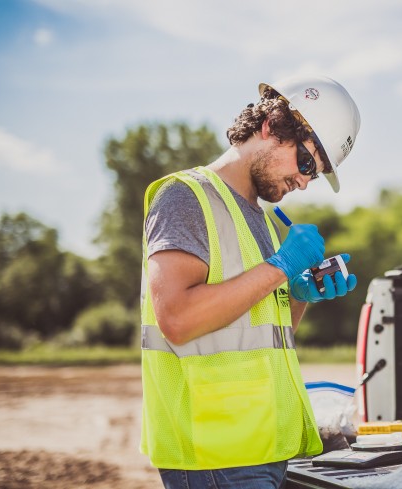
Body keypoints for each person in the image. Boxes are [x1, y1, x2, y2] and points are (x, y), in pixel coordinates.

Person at [138, 75, 361, 489]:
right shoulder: (185, 197)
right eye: (308, 163)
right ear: (272, 126)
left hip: (260, 450)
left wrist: (296, 294)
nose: (305, 182)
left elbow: (260, 338)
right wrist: (281, 265)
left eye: (316, 173)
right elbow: (178, 319)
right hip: (214, 456)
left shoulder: (258, 218)